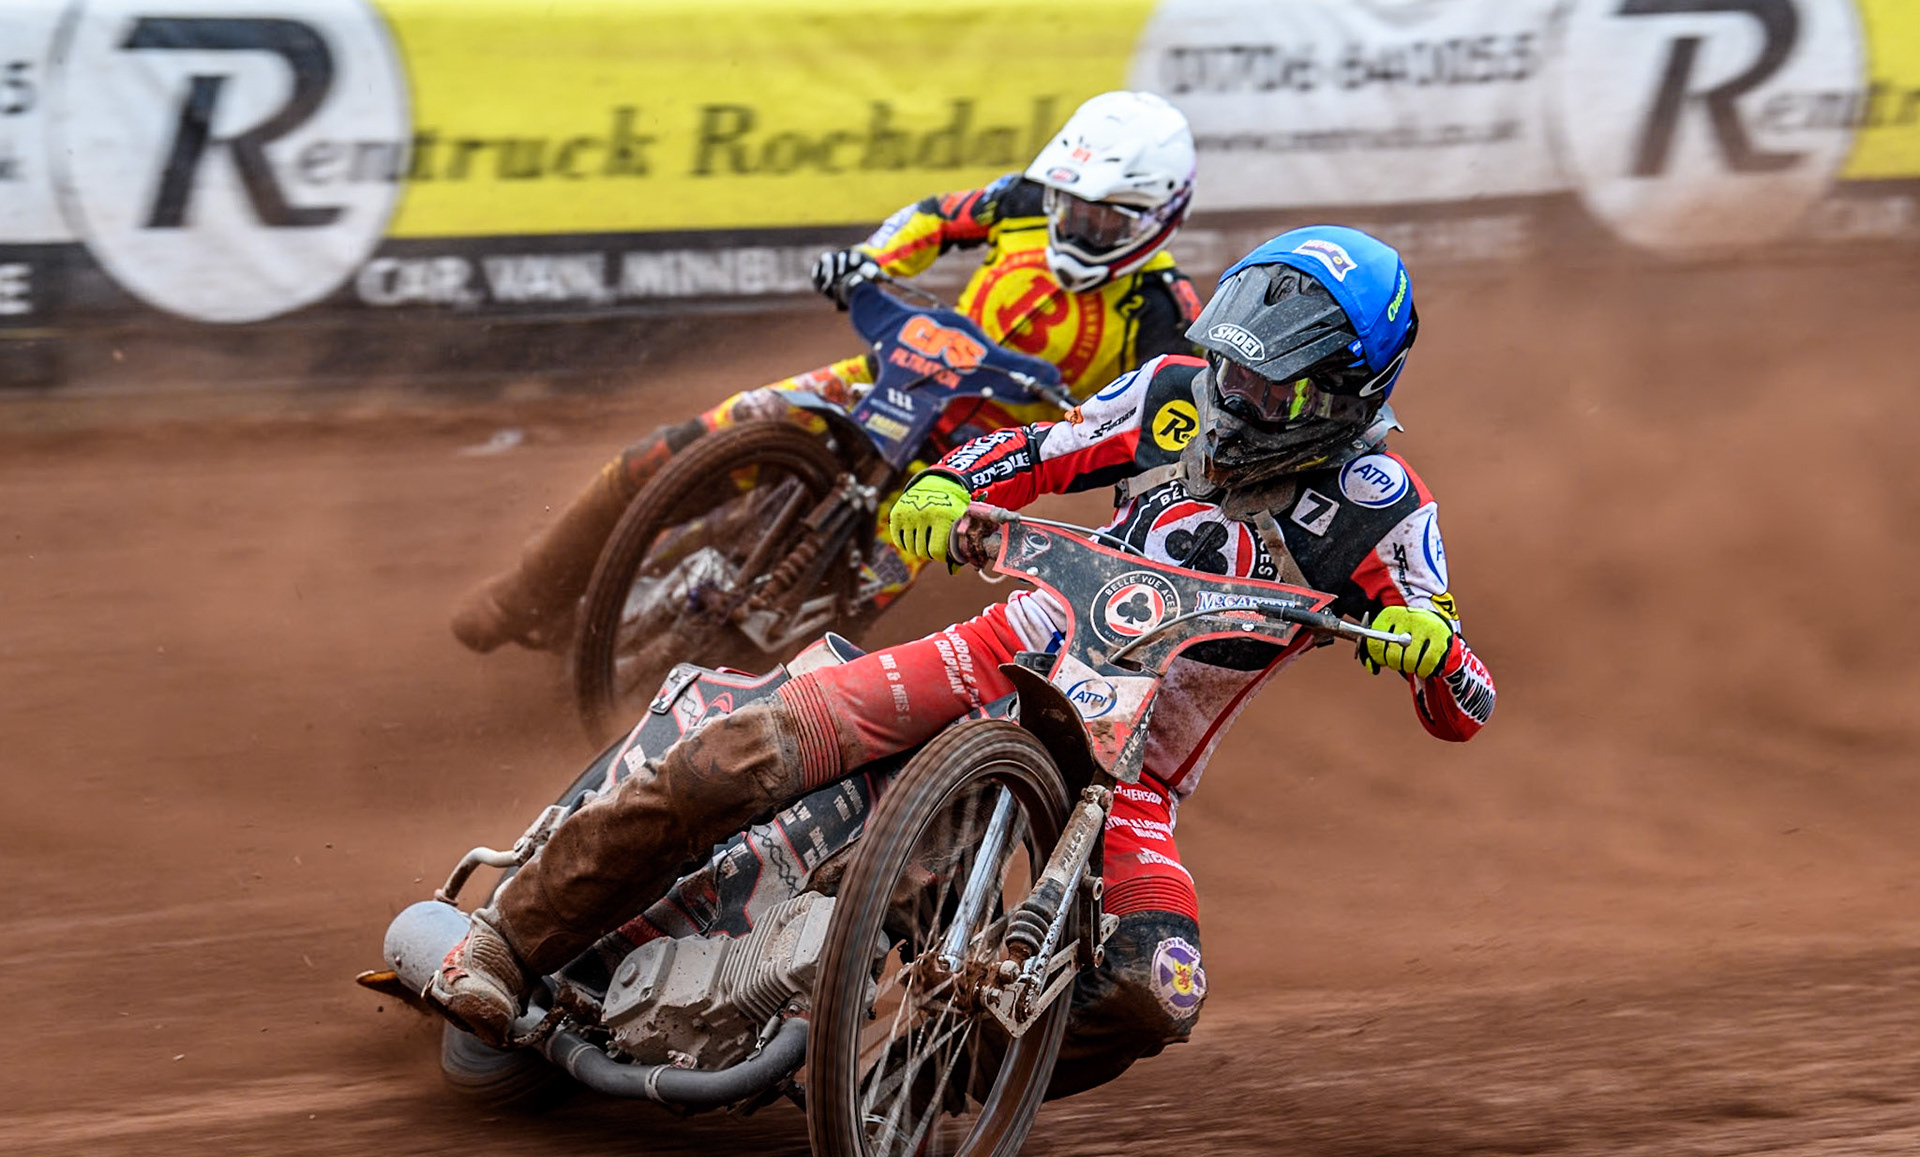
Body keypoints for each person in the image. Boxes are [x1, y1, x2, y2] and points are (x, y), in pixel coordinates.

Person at [429, 225, 1497, 1098]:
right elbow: (1031, 449)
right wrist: (949, 486)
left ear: (1346, 395)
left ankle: (919, 1089)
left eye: (1268, 388)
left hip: (1133, 775)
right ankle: (501, 947)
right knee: (735, 755)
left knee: (1156, 988)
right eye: (1229, 365)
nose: (1234, 395)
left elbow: (1467, 702)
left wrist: (1433, 649)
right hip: (998, 652)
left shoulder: (1385, 510)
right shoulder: (1173, 391)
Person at [451, 90, 1204, 652]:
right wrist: (871, 261)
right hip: (887, 377)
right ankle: (524, 595)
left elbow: (1155, 423)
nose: (1080, 224)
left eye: (1107, 217)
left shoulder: (1163, 311)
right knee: (671, 451)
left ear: (1160, 216)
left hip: (972, 462)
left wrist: (1089, 443)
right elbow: (934, 216)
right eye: (1072, 205)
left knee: (851, 609)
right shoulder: (1023, 200)